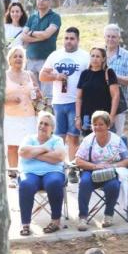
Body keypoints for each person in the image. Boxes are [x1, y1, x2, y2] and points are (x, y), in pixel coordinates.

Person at [75, 111, 128, 230]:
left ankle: (108, 215)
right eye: (95, 124)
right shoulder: (88, 140)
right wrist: (95, 166)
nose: (97, 127)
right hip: (91, 170)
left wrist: (113, 166)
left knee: (113, 185)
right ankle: (83, 217)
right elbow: (78, 160)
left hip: (110, 171)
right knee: (84, 183)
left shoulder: (117, 140)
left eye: (101, 124)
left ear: (108, 126)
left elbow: (127, 159)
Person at [40, 27, 89, 160]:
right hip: (58, 102)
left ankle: (73, 167)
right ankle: (60, 166)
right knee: (59, 137)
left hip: (76, 102)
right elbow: (42, 76)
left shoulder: (85, 56)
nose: (68, 41)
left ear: (78, 40)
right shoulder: (55, 55)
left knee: (73, 137)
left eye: (72, 39)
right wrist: (56, 76)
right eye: (66, 38)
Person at [17, 111, 67, 236]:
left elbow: (59, 156)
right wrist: (44, 149)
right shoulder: (29, 138)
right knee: (25, 184)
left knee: (54, 183)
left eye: (46, 124)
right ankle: (26, 224)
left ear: (52, 128)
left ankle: (55, 221)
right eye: (41, 123)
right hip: (30, 172)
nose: (42, 126)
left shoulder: (57, 140)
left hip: (53, 171)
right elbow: (22, 152)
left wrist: (33, 154)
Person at [21, 0, 62, 99]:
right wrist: (41, 36)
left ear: (50, 2)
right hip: (30, 60)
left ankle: (47, 115)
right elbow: (23, 37)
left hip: (46, 60)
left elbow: (47, 34)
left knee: (47, 95)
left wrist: (31, 33)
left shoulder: (55, 17)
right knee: (33, 93)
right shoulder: (32, 17)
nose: (41, 1)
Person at [5, 46, 39, 173]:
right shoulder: (4, 76)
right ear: (10, 59)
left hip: (29, 116)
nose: (18, 59)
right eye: (15, 56)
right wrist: (9, 100)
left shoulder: (29, 75)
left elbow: (37, 94)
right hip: (11, 117)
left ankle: (26, 173)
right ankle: (13, 174)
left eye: (21, 56)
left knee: (28, 146)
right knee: (13, 147)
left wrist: (37, 95)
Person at [75, 47, 119, 137]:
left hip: (104, 116)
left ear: (103, 59)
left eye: (98, 56)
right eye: (93, 56)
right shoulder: (84, 74)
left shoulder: (109, 73)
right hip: (87, 117)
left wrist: (112, 116)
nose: (95, 59)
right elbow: (79, 98)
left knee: (105, 144)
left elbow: (116, 96)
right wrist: (78, 117)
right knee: (89, 145)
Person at [103, 24, 128, 136]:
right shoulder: (98, 54)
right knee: (99, 133)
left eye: (114, 37)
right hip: (100, 100)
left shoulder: (127, 55)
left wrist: (113, 76)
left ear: (119, 39)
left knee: (116, 135)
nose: (110, 39)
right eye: (108, 36)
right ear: (104, 37)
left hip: (119, 103)